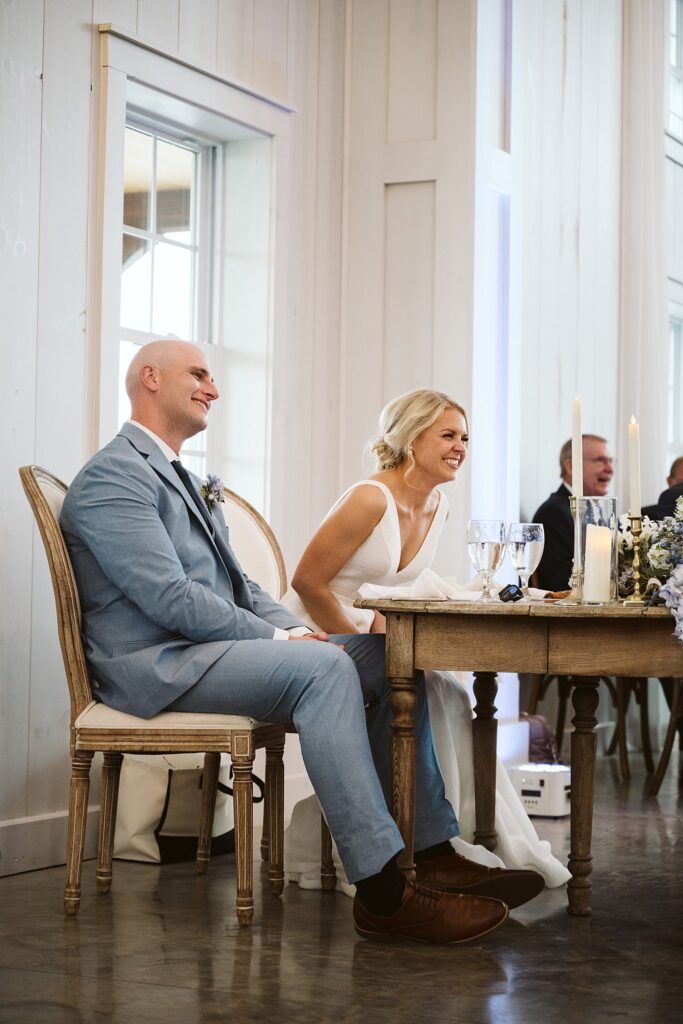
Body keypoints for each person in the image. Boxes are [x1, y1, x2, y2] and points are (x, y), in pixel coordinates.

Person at [60, 341, 532, 946]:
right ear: (150, 379)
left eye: (213, 377)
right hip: (157, 663)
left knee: (393, 659)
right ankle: (384, 894)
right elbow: (167, 599)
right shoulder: (113, 476)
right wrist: (283, 636)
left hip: (208, 650)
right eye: (199, 374)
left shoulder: (183, 476)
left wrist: (295, 627)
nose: (214, 387)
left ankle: (432, 851)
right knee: (322, 670)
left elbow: (240, 584)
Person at [281, 388, 570, 895]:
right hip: (318, 636)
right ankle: (428, 854)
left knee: (449, 692)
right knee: (407, 682)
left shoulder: (439, 504)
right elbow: (307, 582)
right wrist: (361, 635)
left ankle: (450, 841)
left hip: (376, 641)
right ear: (413, 439)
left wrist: (512, 594)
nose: (461, 446)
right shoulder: (371, 497)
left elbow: (417, 584)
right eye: (448, 435)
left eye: (464, 437)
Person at [531, 434, 614, 591]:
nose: (610, 469)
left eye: (610, 461)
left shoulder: (598, 512)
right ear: (571, 467)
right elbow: (560, 585)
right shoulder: (553, 514)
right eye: (600, 460)